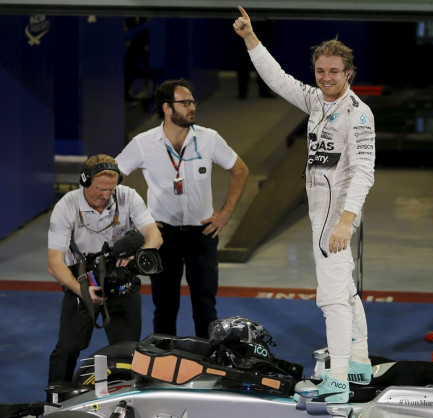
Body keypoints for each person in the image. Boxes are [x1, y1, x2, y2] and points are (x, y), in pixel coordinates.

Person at [234, 6, 376, 403]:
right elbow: (278, 79)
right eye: (320, 71)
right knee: (344, 288)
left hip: (337, 216)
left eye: (334, 71)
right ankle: (360, 360)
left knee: (331, 297)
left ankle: (339, 379)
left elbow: (364, 172)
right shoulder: (317, 102)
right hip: (322, 212)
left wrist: (345, 221)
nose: (326, 78)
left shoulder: (358, 115)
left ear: (349, 72)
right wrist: (251, 39)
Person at [116, 78, 249, 339]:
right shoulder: (144, 143)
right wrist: (134, 221)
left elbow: (240, 170)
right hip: (161, 237)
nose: (192, 107)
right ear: (167, 108)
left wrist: (225, 213)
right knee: (164, 306)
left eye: (193, 102)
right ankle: (164, 363)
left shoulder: (209, 139)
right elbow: (112, 178)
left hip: (203, 234)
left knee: (205, 305)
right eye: (185, 102)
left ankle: (208, 363)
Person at [47, 154, 162, 385]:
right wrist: (80, 290)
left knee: (128, 351)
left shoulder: (128, 196)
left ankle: (125, 400)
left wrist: (138, 254)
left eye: (111, 189)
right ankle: (55, 402)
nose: (107, 195)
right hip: (82, 282)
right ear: (84, 181)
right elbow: (54, 263)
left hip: (121, 282)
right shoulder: (67, 206)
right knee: (67, 348)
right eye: (100, 189)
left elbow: (154, 235)